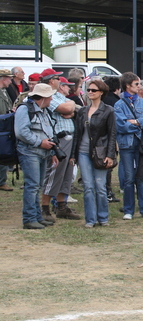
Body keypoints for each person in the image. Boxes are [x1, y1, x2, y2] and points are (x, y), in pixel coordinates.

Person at [71, 79, 116, 228]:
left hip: (100, 152)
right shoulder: (83, 111)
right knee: (88, 186)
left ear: (101, 93)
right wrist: (73, 155)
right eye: (89, 90)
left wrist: (110, 155)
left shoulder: (108, 110)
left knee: (100, 186)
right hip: (83, 152)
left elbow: (112, 134)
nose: (90, 92)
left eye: (93, 90)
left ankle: (103, 217)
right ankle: (90, 219)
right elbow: (77, 133)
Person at [14, 83, 59, 229]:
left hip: (41, 152)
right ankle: (29, 218)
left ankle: (36, 217)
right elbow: (21, 132)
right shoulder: (24, 109)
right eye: (50, 96)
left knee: (37, 186)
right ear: (44, 97)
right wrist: (39, 143)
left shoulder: (43, 110)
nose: (52, 99)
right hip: (30, 152)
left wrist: (51, 151)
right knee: (32, 186)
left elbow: (47, 131)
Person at [40, 69, 81, 221]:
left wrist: (70, 105)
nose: (60, 82)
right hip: (58, 139)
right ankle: (45, 207)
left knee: (67, 173)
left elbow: (76, 110)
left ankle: (61, 205)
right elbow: (67, 108)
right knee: (54, 173)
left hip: (70, 138)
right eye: (58, 78)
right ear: (51, 80)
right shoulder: (47, 95)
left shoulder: (59, 95)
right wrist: (70, 104)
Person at [114, 72, 143, 220]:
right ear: (127, 86)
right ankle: (128, 210)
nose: (140, 87)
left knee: (141, 176)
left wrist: (134, 122)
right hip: (126, 145)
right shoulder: (118, 105)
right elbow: (121, 125)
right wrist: (140, 122)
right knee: (129, 178)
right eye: (137, 84)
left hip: (141, 144)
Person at [102, 76, 121, 203]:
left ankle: (103, 190)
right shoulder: (116, 102)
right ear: (118, 89)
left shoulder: (102, 99)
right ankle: (107, 191)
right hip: (111, 137)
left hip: (100, 137)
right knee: (108, 165)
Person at [0, 70, 14, 191]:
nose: (11, 81)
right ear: (3, 79)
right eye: (9, 78)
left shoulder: (4, 92)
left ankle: (2, 180)